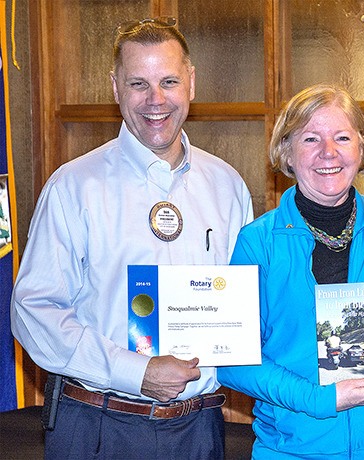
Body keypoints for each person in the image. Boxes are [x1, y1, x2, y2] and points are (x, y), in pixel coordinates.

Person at [11, 17, 253, 459]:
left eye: (169, 81)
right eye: (138, 83)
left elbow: (249, 303)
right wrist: (133, 371)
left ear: (191, 83)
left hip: (201, 429)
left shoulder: (227, 185)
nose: (156, 100)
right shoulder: (74, 187)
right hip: (98, 428)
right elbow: (33, 311)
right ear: (115, 87)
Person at [217, 83, 364, 458]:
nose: (328, 152)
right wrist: (319, 399)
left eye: (343, 137)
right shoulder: (258, 242)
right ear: (287, 151)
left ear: (361, 147)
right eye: (311, 138)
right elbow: (232, 360)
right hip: (294, 448)